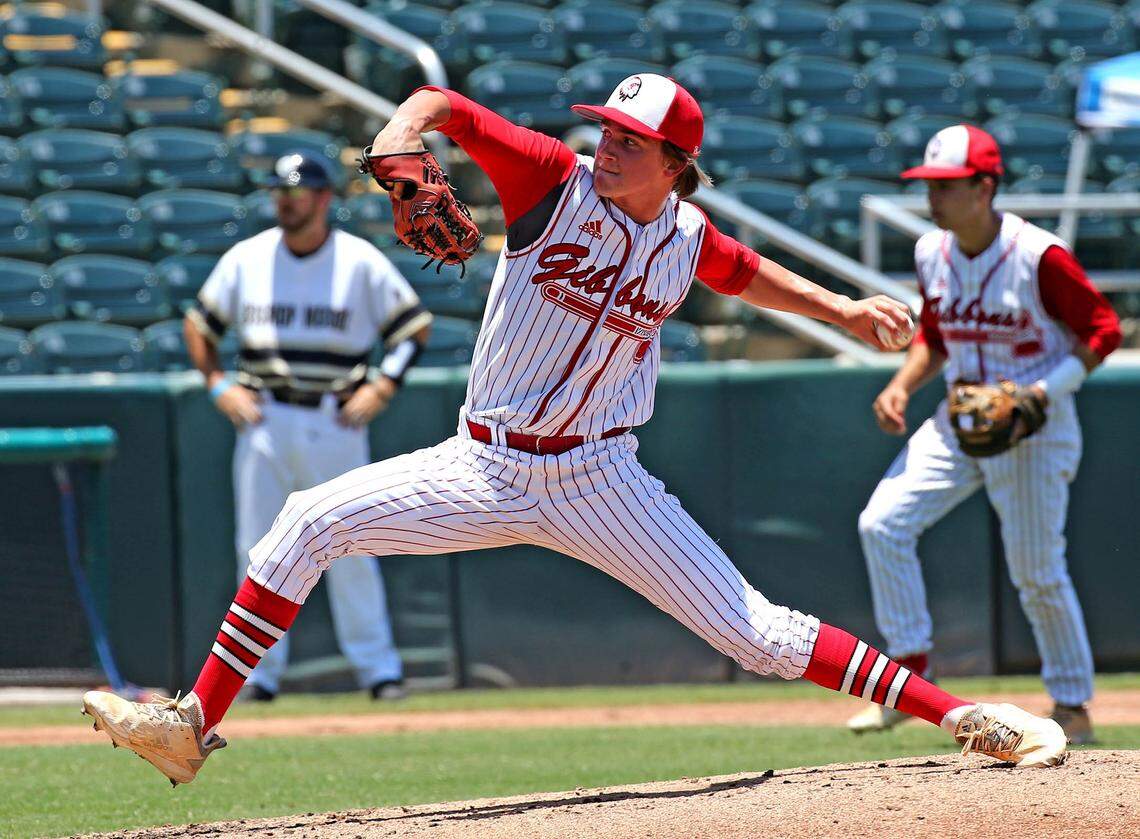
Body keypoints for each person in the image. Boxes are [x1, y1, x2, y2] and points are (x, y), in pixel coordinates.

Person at [84, 75, 1068, 787]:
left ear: (678, 167)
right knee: (302, 521)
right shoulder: (554, 181)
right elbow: (441, 104)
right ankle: (190, 726)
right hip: (486, 464)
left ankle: (965, 717)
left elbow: (745, 271)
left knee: (759, 633)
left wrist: (845, 312)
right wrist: (396, 155)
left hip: (603, 478)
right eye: (607, 128)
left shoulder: (685, 237)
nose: (609, 144)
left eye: (632, 141)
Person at [847, 125, 1121, 744]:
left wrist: (1042, 393)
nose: (934, 199)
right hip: (961, 413)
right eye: (930, 187)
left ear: (985, 187)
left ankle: (1072, 704)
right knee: (882, 523)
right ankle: (908, 674)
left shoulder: (1038, 255)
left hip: (1034, 426)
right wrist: (902, 385)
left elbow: (1103, 331)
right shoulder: (930, 252)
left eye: (947, 187)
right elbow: (938, 338)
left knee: (1037, 573)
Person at [182, 150, 432, 702]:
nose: (284, 202)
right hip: (266, 417)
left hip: (334, 418)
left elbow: (414, 327)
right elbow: (199, 325)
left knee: (353, 544)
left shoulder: (358, 261)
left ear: (324, 199)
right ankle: (257, 677)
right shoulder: (248, 258)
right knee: (258, 550)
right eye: (279, 192)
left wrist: (383, 385)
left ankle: (378, 669)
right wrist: (219, 385)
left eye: (295, 193)